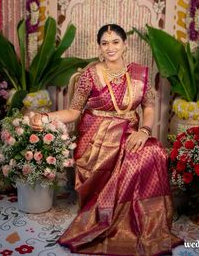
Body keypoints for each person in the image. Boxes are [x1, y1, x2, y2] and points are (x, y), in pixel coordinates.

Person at [30, 24, 183, 256]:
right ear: (99, 47)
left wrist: (144, 130)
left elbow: (149, 107)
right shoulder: (89, 75)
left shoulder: (139, 73)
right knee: (134, 159)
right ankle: (110, 220)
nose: (110, 47)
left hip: (132, 132)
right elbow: (73, 112)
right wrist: (45, 117)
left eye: (115, 42)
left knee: (154, 152)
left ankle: (146, 223)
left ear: (125, 45)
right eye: (104, 43)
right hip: (97, 139)